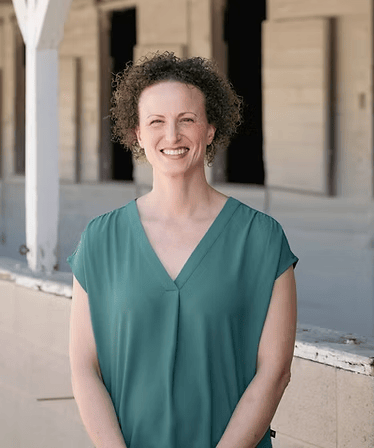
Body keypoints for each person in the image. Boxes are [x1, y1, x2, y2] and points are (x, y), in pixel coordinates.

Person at [67, 51, 299, 448]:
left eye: (186, 119)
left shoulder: (262, 239)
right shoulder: (100, 240)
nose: (171, 135)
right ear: (137, 134)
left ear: (210, 129)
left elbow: (274, 371)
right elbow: (84, 368)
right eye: (156, 121)